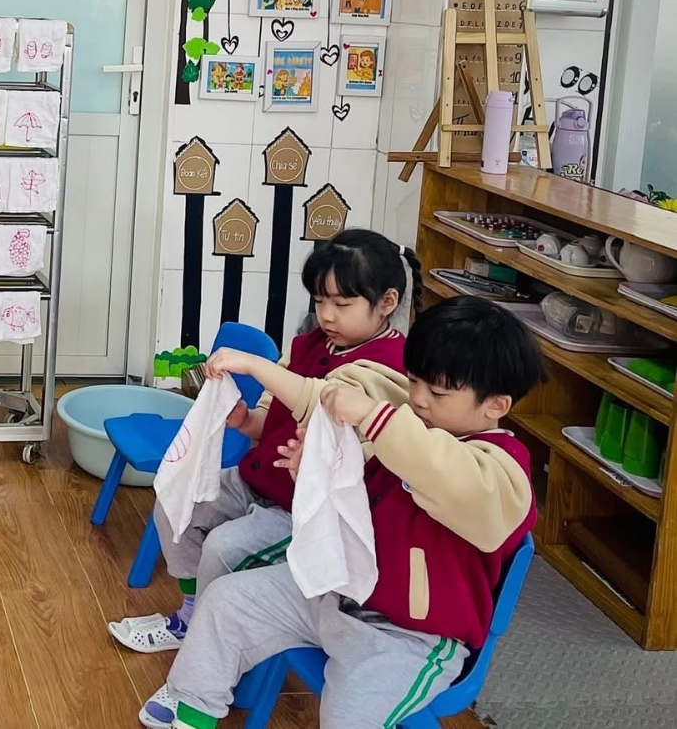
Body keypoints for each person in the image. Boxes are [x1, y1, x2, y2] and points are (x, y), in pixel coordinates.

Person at [138, 295, 545, 729]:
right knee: (226, 602)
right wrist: (313, 475)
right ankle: (193, 714)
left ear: (496, 405)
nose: (419, 399)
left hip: (410, 638)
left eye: (438, 392)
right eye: (414, 382)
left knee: (346, 718)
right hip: (339, 594)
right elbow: (356, 503)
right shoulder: (411, 426)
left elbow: (447, 474)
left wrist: (374, 416)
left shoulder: (502, 470)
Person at [109, 229, 414, 654]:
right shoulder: (310, 343)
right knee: (177, 496)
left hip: (305, 510)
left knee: (222, 548)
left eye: (342, 304)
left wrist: (254, 364)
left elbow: (319, 399)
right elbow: (272, 414)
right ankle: (193, 615)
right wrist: (247, 421)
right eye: (319, 301)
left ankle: (207, 640)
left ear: (387, 302)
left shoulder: (390, 366)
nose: (327, 315)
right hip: (260, 479)